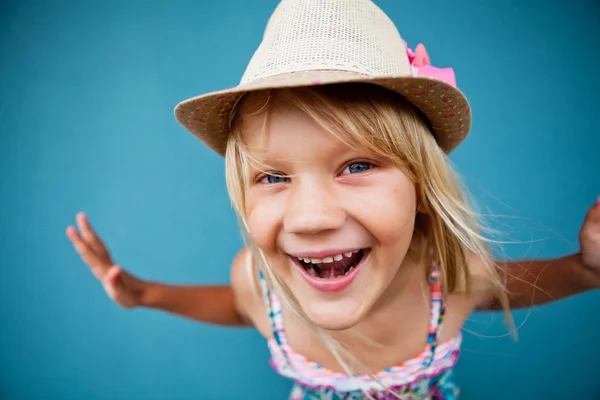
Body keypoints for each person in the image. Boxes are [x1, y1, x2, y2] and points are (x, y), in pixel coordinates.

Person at [66, 0, 600, 398]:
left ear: (421, 186)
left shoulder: (452, 277)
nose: (312, 218)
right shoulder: (257, 281)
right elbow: (240, 304)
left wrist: (584, 270)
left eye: (359, 165)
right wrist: (148, 294)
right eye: (273, 177)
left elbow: (513, 283)